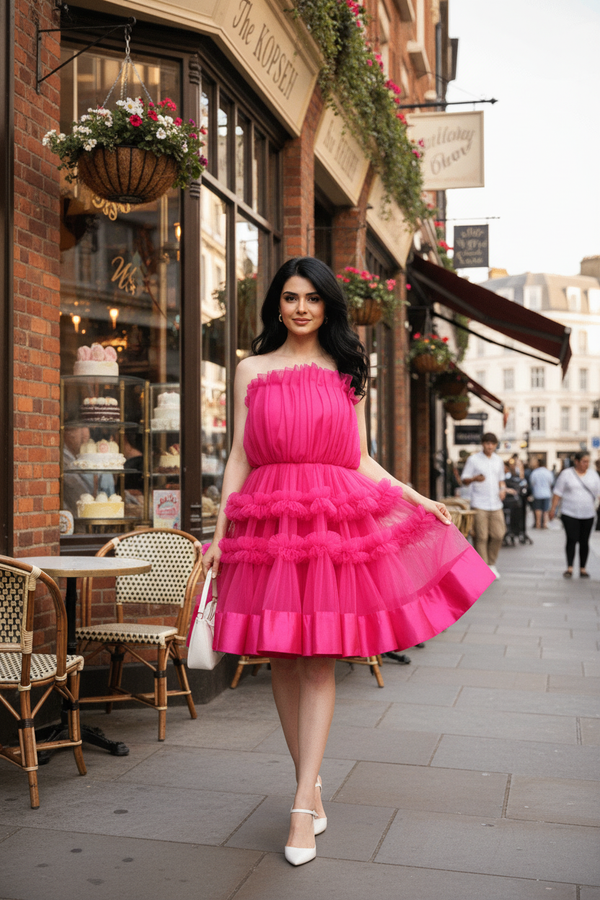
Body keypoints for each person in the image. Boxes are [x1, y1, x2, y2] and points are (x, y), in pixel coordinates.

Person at [201, 257, 494, 867]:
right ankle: (308, 783)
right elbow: (238, 458)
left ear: (328, 305)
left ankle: (301, 805)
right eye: (290, 297)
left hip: (331, 522)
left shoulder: (348, 372)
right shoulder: (251, 368)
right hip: (267, 522)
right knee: (282, 659)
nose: (301, 308)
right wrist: (220, 535)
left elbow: (359, 458)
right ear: (276, 305)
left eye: (312, 298)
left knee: (318, 662)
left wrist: (415, 497)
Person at [459, 432, 506, 579]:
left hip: (496, 503)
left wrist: (503, 489)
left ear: (496, 445)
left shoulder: (498, 460)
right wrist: (474, 479)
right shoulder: (473, 460)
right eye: (487, 443)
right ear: (482, 444)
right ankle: (484, 567)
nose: (489, 446)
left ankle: (491, 563)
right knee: (481, 536)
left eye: (492, 444)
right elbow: (464, 479)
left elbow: (501, 479)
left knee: (498, 534)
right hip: (479, 503)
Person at [549, 451, 600, 578]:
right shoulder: (566, 474)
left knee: (584, 540)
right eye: (584, 461)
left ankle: (583, 568)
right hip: (569, 512)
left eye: (588, 462)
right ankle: (570, 567)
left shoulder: (593, 475)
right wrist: (553, 509)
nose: (586, 464)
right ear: (576, 461)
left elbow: (598, 493)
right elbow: (557, 493)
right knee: (571, 539)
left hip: (588, 513)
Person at [529, 457, 554, 529]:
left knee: (538, 509)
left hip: (537, 493)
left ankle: (538, 523)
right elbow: (551, 482)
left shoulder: (535, 472)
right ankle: (545, 524)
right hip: (546, 493)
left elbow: (532, 482)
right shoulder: (548, 472)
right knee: (545, 510)